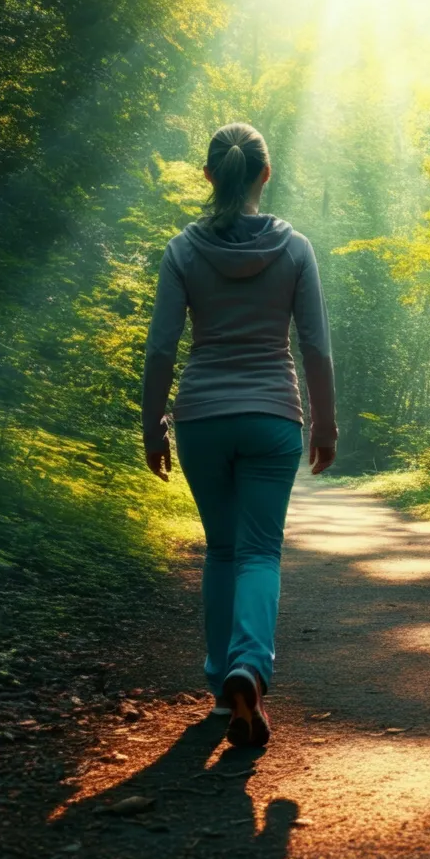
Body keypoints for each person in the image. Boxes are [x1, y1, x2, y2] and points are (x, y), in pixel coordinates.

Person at [141, 122, 337, 749]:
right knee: (259, 552)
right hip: (272, 416)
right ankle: (248, 667)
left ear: (208, 176)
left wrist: (153, 425)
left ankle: (222, 684)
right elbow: (314, 345)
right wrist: (326, 421)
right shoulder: (296, 249)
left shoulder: (182, 250)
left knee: (222, 550)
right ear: (265, 174)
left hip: (201, 417)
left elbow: (162, 347)